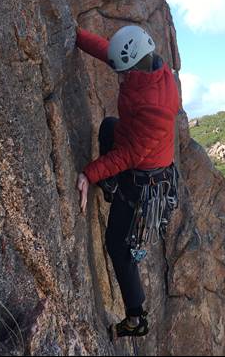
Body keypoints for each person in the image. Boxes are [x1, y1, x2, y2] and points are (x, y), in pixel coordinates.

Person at [74, 24, 180, 338]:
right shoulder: (146, 65)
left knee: (118, 246)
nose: (119, 78)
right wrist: (75, 34)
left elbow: (130, 155)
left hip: (144, 181)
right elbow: (109, 53)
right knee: (109, 126)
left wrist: (89, 173)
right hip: (136, 148)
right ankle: (110, 184)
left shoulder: (158, 105)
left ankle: (136, 318)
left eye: (123, 73)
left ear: (135, 67)